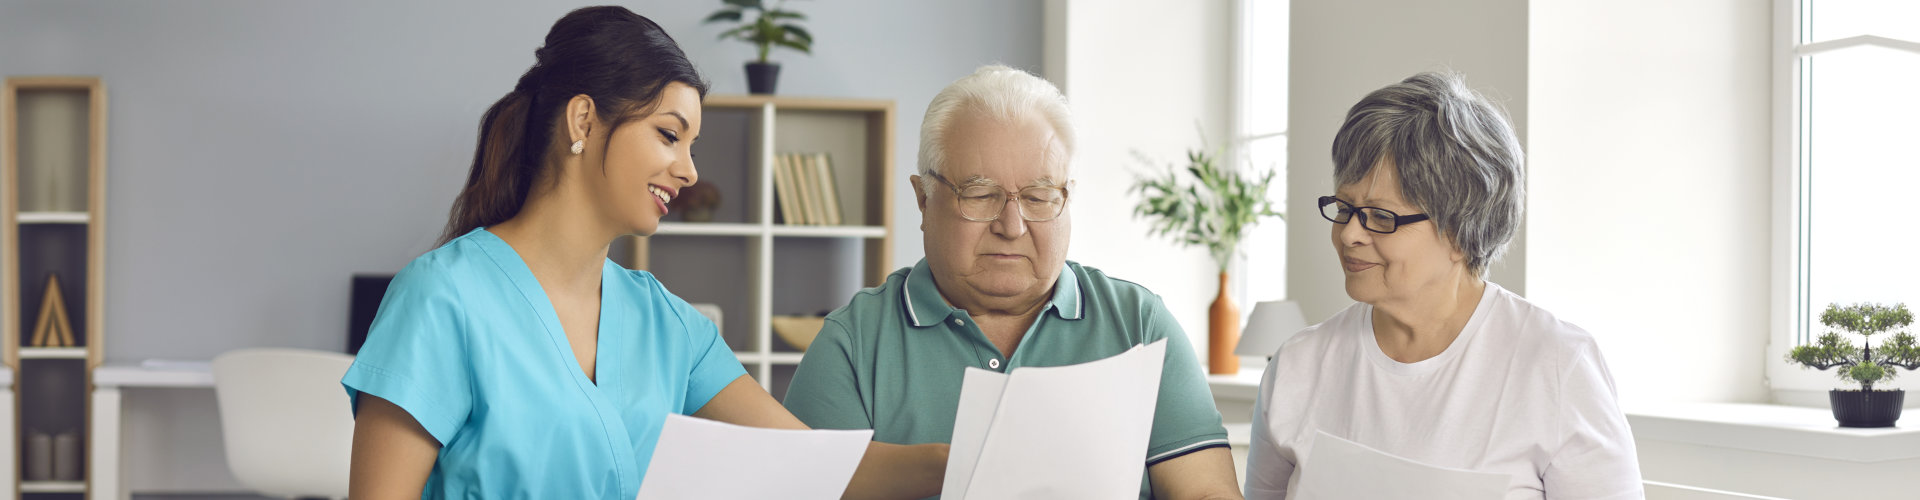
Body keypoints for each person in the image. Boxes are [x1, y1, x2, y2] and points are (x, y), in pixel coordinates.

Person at [340, 7, 946, 499]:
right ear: (583, 120)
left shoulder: (670, 325)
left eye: (692, 144)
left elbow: (814, 464)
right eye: (668, 134)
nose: (688, 170)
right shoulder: (442, 297)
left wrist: (959, 462)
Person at [783, 65, 1244, 500]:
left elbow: (1207, 491)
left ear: (1067, 199)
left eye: (1039, 197)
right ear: (923, 199)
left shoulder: (1139, 325)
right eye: (980, 195)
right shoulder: (855, 342)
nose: (1012, 225)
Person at [1242, 72, 1642, 499]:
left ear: (1459, 229)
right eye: (1344, 207)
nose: (1349, 234)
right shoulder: (1297, 366)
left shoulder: (1557, 366)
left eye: (1380, 216)